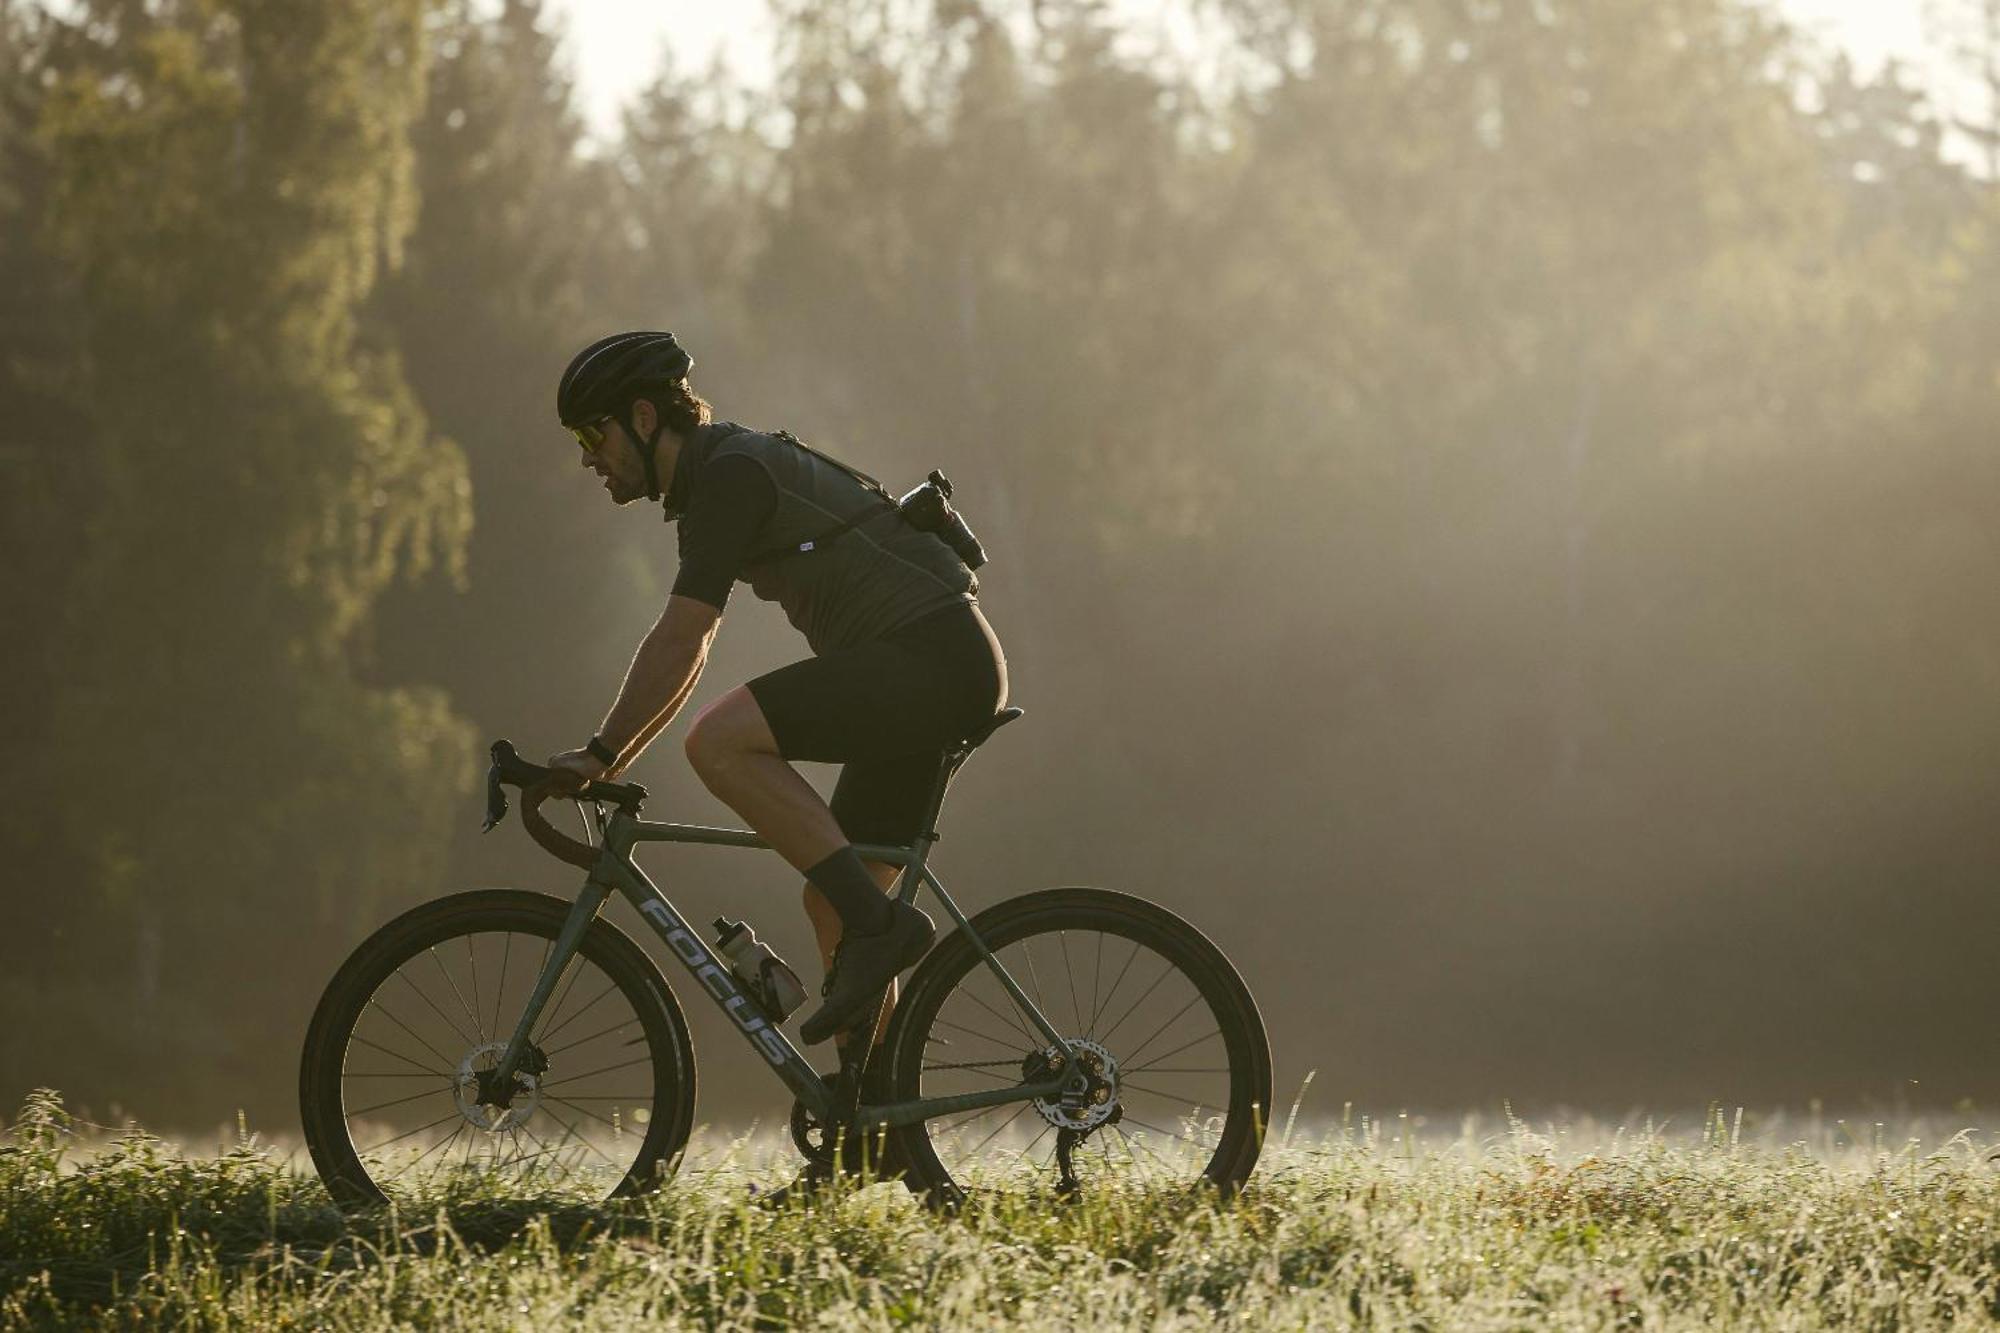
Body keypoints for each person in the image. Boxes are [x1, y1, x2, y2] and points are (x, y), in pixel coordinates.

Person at [542, 330, 1008, 1065]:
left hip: (932, 657)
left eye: (590, 433)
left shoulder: (729, 474)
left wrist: (601, 753)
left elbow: (683, 636)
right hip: (935, 662)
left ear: (640, 415)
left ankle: (880, 929)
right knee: (832, 900)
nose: (585, 457)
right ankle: (876, 1125)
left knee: (718, 741)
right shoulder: (714, 480)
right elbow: (690, 653)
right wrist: (608, 759)